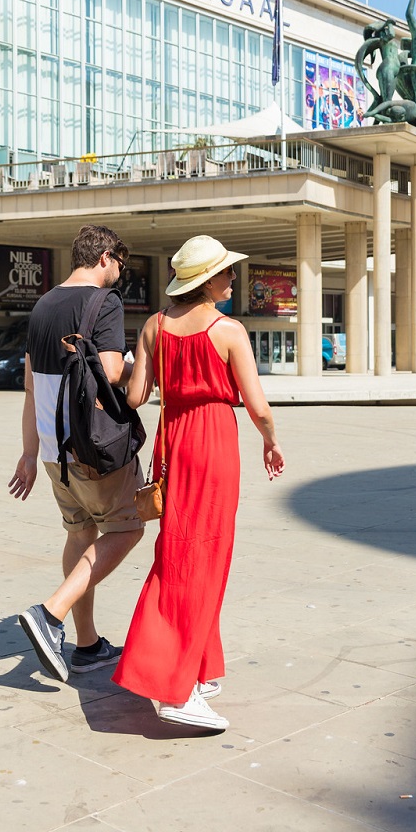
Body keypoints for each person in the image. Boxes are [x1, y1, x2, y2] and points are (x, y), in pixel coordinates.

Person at [113, 235, 286, 732]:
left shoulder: (154, 325)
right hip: (212, 443)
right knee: (200, 556)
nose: (233, 278)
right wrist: (270, 442)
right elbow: (258, 406)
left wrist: (127, 366)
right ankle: (174, 686)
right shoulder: (229, 330)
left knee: (184, 550)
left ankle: (199, 666)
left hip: (173, 441)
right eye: (228, 272)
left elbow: (136, 397)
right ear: (208, 280)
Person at [10, 225, 143, 682]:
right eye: (120, 265)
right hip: (92, 446)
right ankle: (51, 614)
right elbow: (110, 370)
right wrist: (136, 364)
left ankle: (87, 645)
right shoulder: (103, 302)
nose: (119, 275)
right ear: (105, 257)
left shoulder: (43, 303)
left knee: (80, 534)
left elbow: (30, 384)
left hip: (51, 449)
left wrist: (29, 454)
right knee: (128, 528)